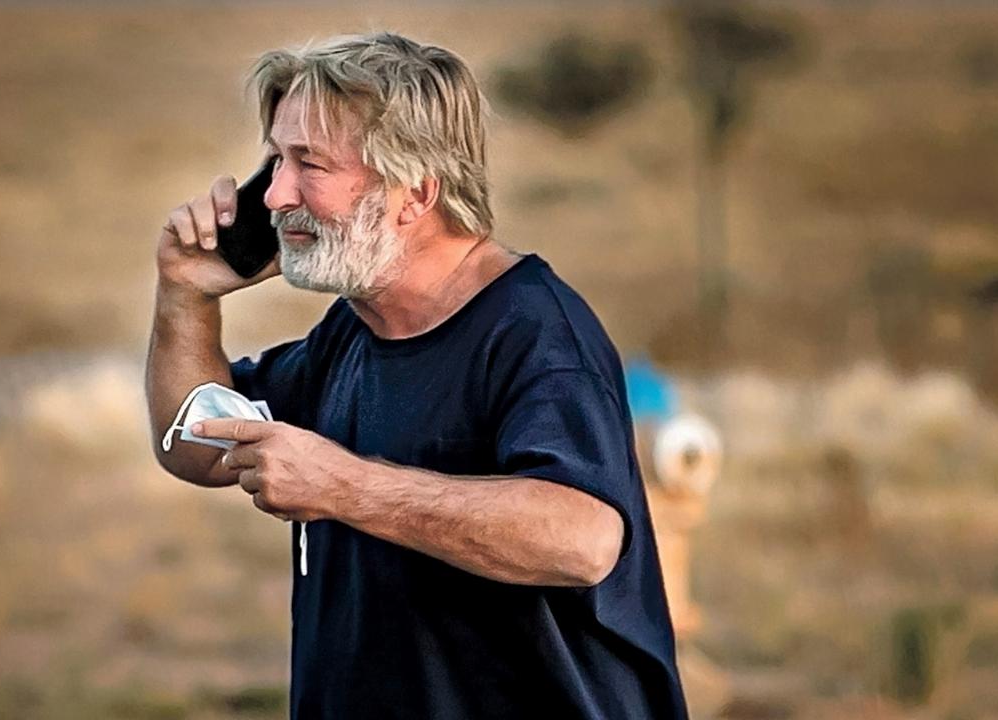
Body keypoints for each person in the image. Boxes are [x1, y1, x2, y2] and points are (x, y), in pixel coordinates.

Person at [145, 31, 688, 719]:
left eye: (308, 164)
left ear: (415, 192)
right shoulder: (353, 329)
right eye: (274, 162)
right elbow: (193, 443)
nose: (276, 195)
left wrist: (342, 486)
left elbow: (581, 539)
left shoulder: (536, 334)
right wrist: (186, 293)